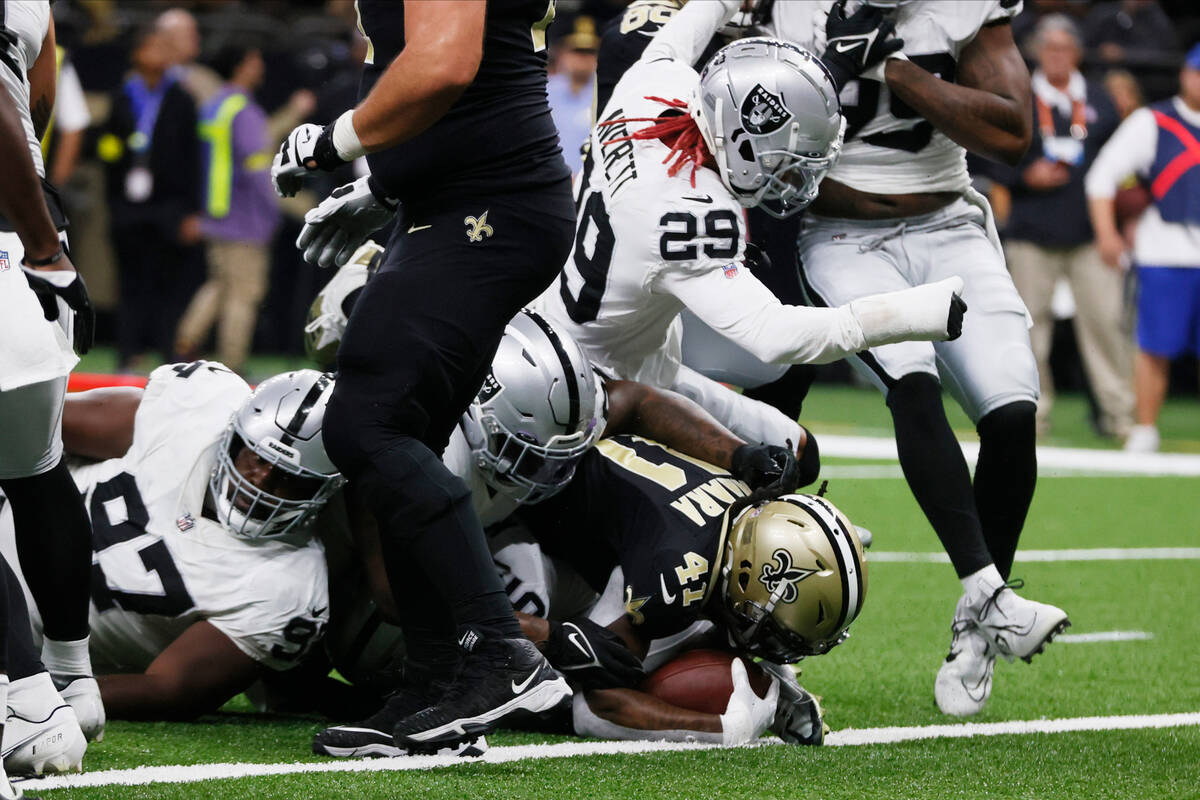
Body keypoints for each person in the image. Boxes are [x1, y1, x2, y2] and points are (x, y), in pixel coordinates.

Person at [675, 0, 1070, 716]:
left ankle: (979, 623)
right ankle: (990, 591)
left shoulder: (956, 9)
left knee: (1013, 412)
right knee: (909, 381)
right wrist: (828, 69)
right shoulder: (772, 10)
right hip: (842, 238)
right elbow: (739, 133)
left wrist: (895, 71)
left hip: (951, 221)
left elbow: (1013, 134)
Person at [269, 0, 602, 752]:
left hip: (487, 205)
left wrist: (336, 140)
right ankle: (434, 684)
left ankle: (497, 652)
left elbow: (444, 63)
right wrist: (386, 184)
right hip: (464, 198)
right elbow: (473, 67)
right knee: (401, 436)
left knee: (365, 424)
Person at [307, 301, 807, 757]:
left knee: (560, 600)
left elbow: (633, 400)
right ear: (479, 422)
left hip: (483, 528)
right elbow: (399, 592)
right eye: (534, 459)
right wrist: (547, 636)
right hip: (354, 590)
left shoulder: (538, 397)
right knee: (506, 605)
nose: (555, 477)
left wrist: (734, 452)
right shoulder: (415, 449)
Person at [536, 20, 966, 453]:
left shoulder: (652, 86)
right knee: (776, 461)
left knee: (798, 448)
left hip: (605, 336)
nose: (789, 173)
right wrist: (917, 312)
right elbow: (775, 334)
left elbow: (677, 35)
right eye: (785, 158)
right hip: (594, 378)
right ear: (742, 143)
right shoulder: (693, 214)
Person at [0, 364, 340, 722]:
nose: (260, 483)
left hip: (20, 650)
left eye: (290, 479)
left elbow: (169, 689)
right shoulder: (195, 408)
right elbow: (42, 426)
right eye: (256, 458)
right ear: (234, 433)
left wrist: (42, 696)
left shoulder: (291, 588)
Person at [0, 0, 103, 763]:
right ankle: (71, 680)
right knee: (36, 472)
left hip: (25, 238)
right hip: (34, 231)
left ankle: (27, 702)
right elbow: (35, 98)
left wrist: (41, 245)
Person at [998, 14, 1131, 438]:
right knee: (1030, 331)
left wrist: (1121, 226)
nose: (1057, 56)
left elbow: (1122, 167)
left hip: (1090, 235)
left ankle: (1120, 417)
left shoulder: (1099, 98)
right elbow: (989, 153)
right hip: (1032, 231)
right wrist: (1023, 177)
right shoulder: (1017, 94)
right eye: (1049, 48)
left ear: (1076, 52)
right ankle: (1032, 418)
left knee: (1108, 325)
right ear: (1038, 51)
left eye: (1064, 48)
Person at [1086, 43, 1200, 453]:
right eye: (1195, 73)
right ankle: (1145, 427)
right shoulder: (1153, 121)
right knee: (1154, 345)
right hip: (1163, 251)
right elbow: (1102, 177)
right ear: (1184, 75)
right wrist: (1107, 234)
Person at [97, 26, 203, 371]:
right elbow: (107, 148)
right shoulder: (122, 96)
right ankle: (128, 354)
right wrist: (114, 199)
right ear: (137, 53)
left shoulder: (182, 99)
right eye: (152, 46)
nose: (159, 53)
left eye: (165, 47)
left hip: (169, 208)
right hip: (128, 207)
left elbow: (193, 159)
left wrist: (191, 211)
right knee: (130, 285)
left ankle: (167, 356)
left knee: (168, 286)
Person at [175, 40, 280, 374]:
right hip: (247, 219)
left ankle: (185, 344)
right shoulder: (245, 112)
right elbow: (258, 170)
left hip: (217, 214)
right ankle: (233, 364)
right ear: (241, 65)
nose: (260, 65)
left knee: (219, 285)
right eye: (254, 58)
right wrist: (272, 210)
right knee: (244, 294)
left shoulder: (215, 106)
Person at [547, 16, 599, 173]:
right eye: (576, 51)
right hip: (547, 181)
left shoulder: (607, 95)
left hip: (589, 184)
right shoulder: (543, 90)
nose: (582, 58)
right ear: (562, 53)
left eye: (589, 51)